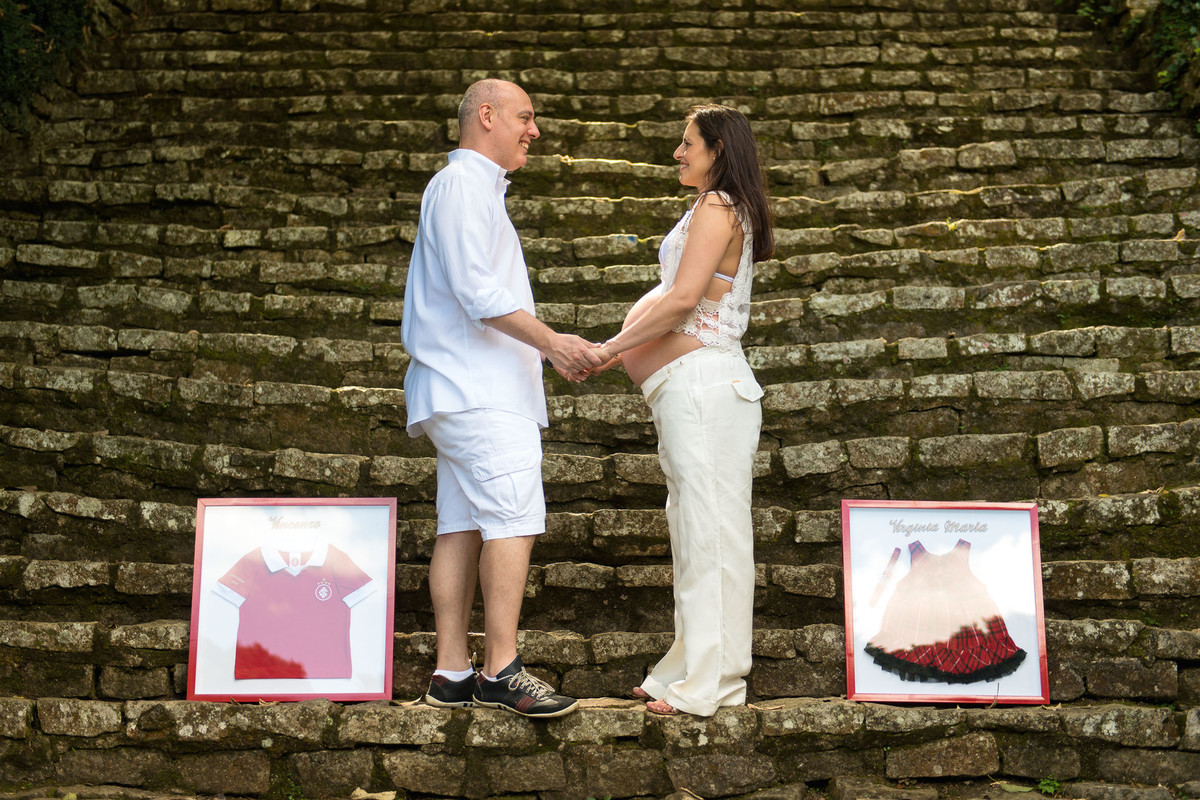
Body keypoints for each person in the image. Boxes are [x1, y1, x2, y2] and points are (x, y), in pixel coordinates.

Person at [401, 78, 600, 718]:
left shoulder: (472, 189)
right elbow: (477, 292)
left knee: (460, 525)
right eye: (525, 117)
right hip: (476, 389)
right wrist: (553, 343)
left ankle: (453, 673)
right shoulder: (461, 186)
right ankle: (503, 670)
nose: (534, 131)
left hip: (462, 388)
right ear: (486, 116)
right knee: (513, 516)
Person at [589, 104, 774, 716]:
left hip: (706, 389)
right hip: (687, 390)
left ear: (718, 149)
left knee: (713, 537)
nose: (677, 152)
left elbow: (685, 299)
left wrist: (611, 349)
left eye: (687, 142)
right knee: (695, 536)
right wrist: (625, 347)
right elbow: (683, 295)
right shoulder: (712, 207)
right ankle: (686, 667)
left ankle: (715, 682)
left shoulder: (720, 207)